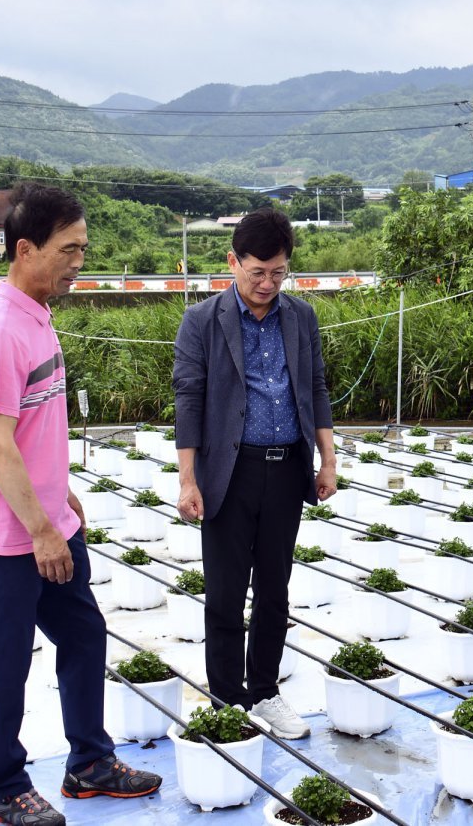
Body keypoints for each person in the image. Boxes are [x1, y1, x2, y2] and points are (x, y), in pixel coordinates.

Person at [0, 183, 162, 826]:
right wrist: (41, 528)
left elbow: (36, 432)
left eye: (83, 249)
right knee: (8, 657)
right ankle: (5, 786)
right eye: (68, 250)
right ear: (25, 249)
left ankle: (89, 763)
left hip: (48, 520)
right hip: (6, 534)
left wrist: (59, 492)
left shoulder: (37, 318)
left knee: (83, 634)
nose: (79, 262)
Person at [172, 207, 336, 738]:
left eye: (278, 273)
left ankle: (265, 691)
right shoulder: (202, 320)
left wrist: (327, 459)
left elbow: (315, 388)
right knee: (224, 590)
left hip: (288, 467)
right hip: (230, 471)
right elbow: (189, 400)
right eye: (256, 271)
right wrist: (187, 478)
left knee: (275, 587)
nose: (267, 283)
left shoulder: (301, 317)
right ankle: (227, 699)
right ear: (233, 262)